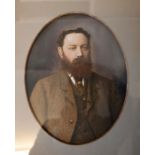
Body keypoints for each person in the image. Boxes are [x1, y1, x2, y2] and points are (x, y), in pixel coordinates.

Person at [30, 27, 125, 144]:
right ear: (61, 52)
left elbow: (121, 131)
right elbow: (35, 132)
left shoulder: (108, 86)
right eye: (72, 48)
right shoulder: (43, 88)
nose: (79, 54)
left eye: (84, 47)